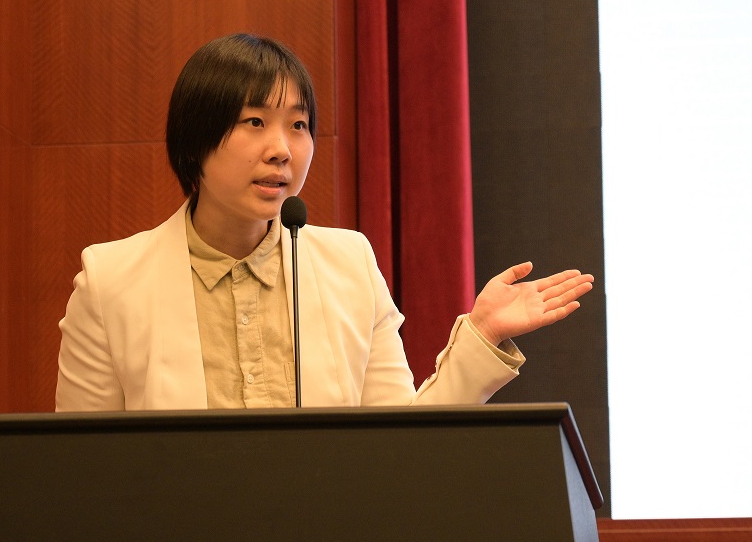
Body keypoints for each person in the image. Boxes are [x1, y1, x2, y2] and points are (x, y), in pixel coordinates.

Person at [55, 33, 593, 412]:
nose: (282, 150)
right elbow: (83, 469)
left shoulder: (348, 264)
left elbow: (397, 444)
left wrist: (483, 335)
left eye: (298, 125)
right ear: (195, 140)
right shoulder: (111, 281)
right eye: (255, 122)